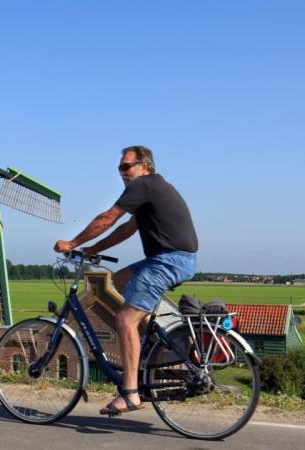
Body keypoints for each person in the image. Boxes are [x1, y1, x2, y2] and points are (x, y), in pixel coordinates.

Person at [54, 145, 198, 415]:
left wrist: (73, 242)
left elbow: (108, 218)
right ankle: (153, 341)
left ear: (145, 167)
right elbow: (126, 229)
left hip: (169, 260)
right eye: (119, 168)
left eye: (126, 167)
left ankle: (130, 393)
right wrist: (92, 250)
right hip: (174, 258)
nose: (121, 172)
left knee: (124, 319)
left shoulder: (143, 186)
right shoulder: (152, 189)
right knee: (120, 280)